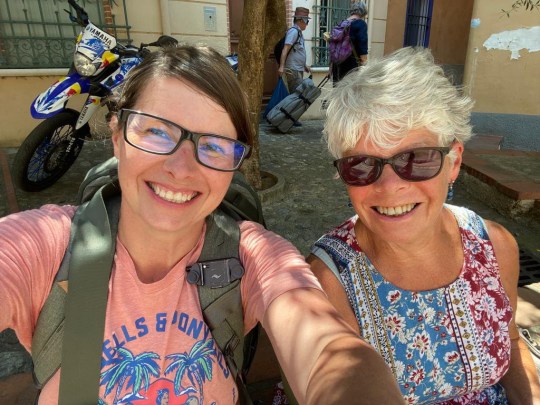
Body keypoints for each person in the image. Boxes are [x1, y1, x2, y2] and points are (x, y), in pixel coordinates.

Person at [0, 45, 404, 404]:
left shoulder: (252, 256)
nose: (180, 168)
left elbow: (325, 349)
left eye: (213, 146)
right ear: (118, 135)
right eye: (157, 131)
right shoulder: (46, 246)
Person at [309, 46, 540, 404]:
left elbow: (509, 343)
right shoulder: (329, 280)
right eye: (361, 165)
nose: (389, 187)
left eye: (416, 158)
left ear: (454, 162)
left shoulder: (495, 245)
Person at [330, 1, 368, 85]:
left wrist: (330, 69)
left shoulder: (342, 24)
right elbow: (362, 48)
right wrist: (365, 67)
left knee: (337, 93)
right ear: (363, 11)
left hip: (337, 67)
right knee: (349, 94)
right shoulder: (360, 24)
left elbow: (334, 47)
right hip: (351, 67)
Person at [278, 6, 311, 94]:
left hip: (298, 69)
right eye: (307, 20)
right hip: (293, 70)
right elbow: (285, 49)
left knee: (297, 96)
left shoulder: (299, 32)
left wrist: (304, 65)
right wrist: (281, 66)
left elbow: (296, 51)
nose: (307, 23)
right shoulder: (294, 32)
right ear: (301, 20)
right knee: (296, 96)